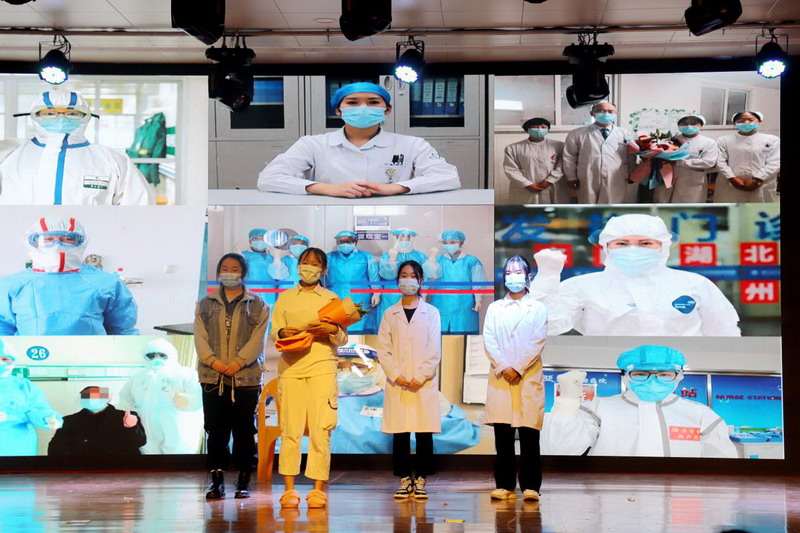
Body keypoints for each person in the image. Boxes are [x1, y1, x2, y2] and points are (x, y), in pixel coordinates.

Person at [529, 214, 740, 336]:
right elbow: (549, 326)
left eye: (645, 243)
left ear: (663, 246)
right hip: (607, 367)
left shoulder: (695, 284)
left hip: (686, 370)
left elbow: (724, 332)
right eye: (622, 243)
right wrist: (547, 278)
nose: (633, 249)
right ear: (607, 247)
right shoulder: (581, 286)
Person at [257, 82, 461, 197]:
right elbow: (269, 178)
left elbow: (448, 177)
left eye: (373, 102)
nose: (363, 108)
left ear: (387, 110)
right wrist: (329, 189)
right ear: (338, 110)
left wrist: (396, 188)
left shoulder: (413, 145)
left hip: (395, 215)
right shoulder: (312, 144)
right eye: (352, 102)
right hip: (327, 214)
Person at [541, 345, 738, 457]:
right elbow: (559, 451)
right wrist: (566, 402)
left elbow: (723, 465)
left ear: (679, 376)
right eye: (641, 374)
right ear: (625, 376)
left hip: (682, 501)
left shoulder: (700, 415)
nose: (652, 381)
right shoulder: (599, 409)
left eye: (664, 374)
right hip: (613, 500)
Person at [271, 247, 348, 509]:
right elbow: (275, 331)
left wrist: (330, 329)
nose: (309, 267)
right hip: (291, 368)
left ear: (323, 269)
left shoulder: (331, 298)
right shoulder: (285, 298)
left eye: (315, 264)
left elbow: (342, 337)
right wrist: (283, 332)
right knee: (290, 429)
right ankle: (289, 489)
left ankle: (318, 489)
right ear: (298, 265)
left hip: (322, 366)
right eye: (306, 262)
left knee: (320, 430)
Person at [195, 253, 269, 500]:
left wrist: (238, 362)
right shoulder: (205, 303)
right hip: (212, 377)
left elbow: (258, 339)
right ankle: (216, 481)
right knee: (215, 431)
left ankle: (243, 480)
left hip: (245, 378)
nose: (229, 272)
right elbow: (200, 337)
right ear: (218, 273)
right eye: (224, 268)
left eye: (234, 269)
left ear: (243, 273)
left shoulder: (258, 304)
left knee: (244, 431)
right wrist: (214, 361)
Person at [0, 90, 151, 205]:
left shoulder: (113, 160)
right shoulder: (8, 154)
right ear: (35, 116)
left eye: (72, 113)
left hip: (95, 237)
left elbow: (140, 207)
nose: (60, 119)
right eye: (49, 113)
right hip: (16, 236)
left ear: (86, 117)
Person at [330, 343, 480, 455]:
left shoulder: (395, 399)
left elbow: (455, 434)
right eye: (339, 367)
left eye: (359, 366)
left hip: (380, 476)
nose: (347, 373)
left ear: (379, 368)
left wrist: (431, 396)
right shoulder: (322, 402)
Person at [0, 216, 139, 335]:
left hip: (91, 356)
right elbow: (3, 328)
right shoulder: (12, 285)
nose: (57, 245)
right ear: (33, 243)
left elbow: (122, 331)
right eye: (48, 239)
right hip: (30, 356)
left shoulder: (106, 283)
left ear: (81, 242)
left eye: (67, 239)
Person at [482, 256, 547, 501]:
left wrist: (517, 368)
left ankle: (531, 486)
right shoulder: (495, 308)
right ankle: (505, 485)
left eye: (518, 272)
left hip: (527, 376)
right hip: (501, 378)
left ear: (528, 277)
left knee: (529, 435)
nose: (513, 276)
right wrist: (503, 366)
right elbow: (489, 340)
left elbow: (537, 341)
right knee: (503, 436)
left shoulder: (538, 308)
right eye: (509, 272)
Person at [377, 260, 442, 500]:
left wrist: (421, 376)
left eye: (413, 276)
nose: (408, 280)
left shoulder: (431, 313)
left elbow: (434, 350)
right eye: (403, 275)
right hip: (399, 383)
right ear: (397, 281)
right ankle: (404, 479)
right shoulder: (389, 314)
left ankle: (421, 479)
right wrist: (397, 375)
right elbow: (383, 349)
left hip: (423, 383)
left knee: (424, 433)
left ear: (421, 281)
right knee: (400, 433)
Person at [118, 338, 204, 454]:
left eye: (162, 355)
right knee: (151, 461)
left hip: (178, 431)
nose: (156, 358)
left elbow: (200, 398)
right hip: (147, 433)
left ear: (171, 355)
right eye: (151, 356)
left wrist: (188, 401)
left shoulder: (186, 375)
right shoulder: (138, 378)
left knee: (178, 462)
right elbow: (125, 401)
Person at [562, 102, 636, 204]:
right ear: (592, 113)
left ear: (616, 114)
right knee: (588, 205)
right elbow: (569, 157)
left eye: (610, 111)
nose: (606, 114)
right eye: (601, 111)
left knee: (611, 206)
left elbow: (631, 156)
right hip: (587, 176)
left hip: (616, 176)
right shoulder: (577, 133)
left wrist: (632, 174)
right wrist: (571, 177)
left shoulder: (625, 133)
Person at [0, 344, 62, 456]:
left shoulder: (23, 385)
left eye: (5, 359)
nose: (1, 363)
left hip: (18, 447)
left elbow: (36, 409)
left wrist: (47, 419)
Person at [48, 386, 145, 456]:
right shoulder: (69, 421)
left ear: (108, 398)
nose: (92, 400)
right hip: (83, 471)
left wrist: (131, 428)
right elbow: (56, 449)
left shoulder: (126, 416)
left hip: (121, 469)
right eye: (87, 397)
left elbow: (140, 442)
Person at [426, 230, 486, 335]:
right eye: (445, 242)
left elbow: (478, 281)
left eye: (452, 242)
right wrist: (432, 258)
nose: (448, 245)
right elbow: (429, 275)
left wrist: (478, 300)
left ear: (461, 243)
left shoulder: (472, 261)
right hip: (441, 304)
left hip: (464, 306)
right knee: (439, 337)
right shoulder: (439, 260)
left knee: (463, 337)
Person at [715, 111, 780, 203]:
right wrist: (732, 178)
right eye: (741, 120)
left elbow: (775, 162)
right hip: (730, 184)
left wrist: (758, 179)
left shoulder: (772, 140)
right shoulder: (724, 140)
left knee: (759, 210)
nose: (746, 123)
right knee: (731, 210)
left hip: (762, 184)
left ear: (759, 121)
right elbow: (720, 162)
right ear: (735, 123)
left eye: (751, 120)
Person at [653, 114, 719, 204]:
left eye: (693, 123)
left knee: (689, 208)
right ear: (678, 126)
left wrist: (679, 162)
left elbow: (708, 162)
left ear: (701, 126)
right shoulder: (670, 140)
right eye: (685, 123)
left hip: (692, 181)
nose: (689, 126)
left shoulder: (709, 143)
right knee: (664, 205)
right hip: (667, 178)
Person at [503, 117, 570, 204]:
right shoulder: (513, 148)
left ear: (548, 129)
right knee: (528, 211)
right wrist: (527, 184)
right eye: (535, 127)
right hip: (526, 189)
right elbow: (511, 169)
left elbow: (563, 164)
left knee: (554, 210)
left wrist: (549, 181)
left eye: (543, 127)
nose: (539, 129)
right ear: (527, 129)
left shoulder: (559, 145)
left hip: (553, 185)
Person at [326, 230, 381, 334]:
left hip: (360, 299)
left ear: (355, 242)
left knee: (360, 328)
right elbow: (321, 275)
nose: (345, 244)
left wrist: (376, 292)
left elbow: (373, 277)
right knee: (337, 330)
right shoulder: (329, 257)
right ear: (337, 243)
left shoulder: (366, 257)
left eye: (348, 241)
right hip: (336, 298)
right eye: (342, 241)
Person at [376, 229, 428, 329]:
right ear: (395, 239)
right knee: (389, 325)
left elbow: (426, 277)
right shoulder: (387, 256)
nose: (403, 240)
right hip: (390, 297)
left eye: (406, 238)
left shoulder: (420, 256)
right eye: (400, 238)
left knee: (412, 326)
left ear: (411, 239)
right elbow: (387, 275)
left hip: (414, 297)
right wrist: (392, 260)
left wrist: (424, 294)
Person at [241, 228, 278, 308]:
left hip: (269, 294)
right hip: (251, 293)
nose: (260, 241)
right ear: (250, 241)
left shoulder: (272, 258)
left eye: (263, 239)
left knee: (269, 313)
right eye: (256, 238)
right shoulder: (244, 255)